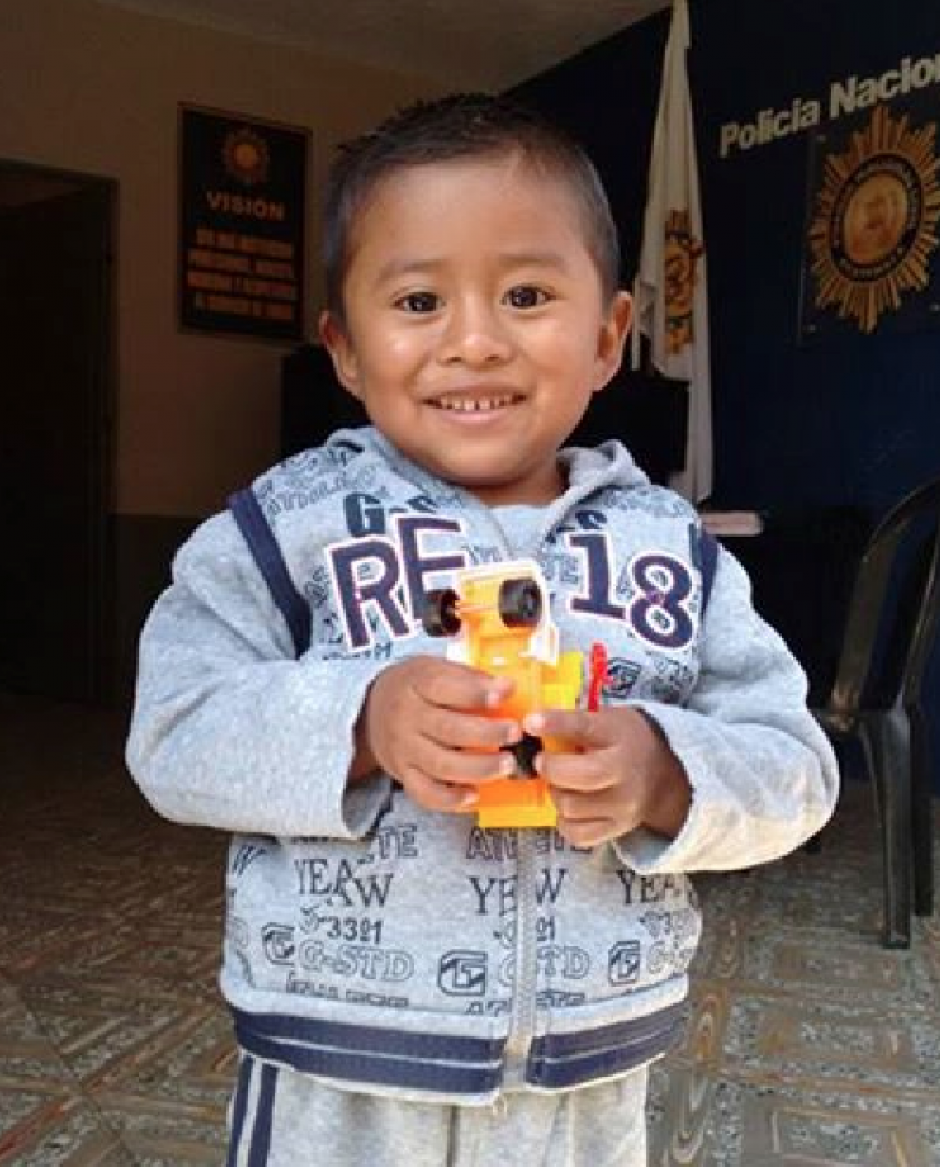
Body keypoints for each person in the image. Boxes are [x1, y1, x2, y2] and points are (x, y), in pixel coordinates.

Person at [126, 93, 839, 1166]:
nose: (473, 341)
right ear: (346, 349)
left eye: (524, 293)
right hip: (338, 1062)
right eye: (417, 300)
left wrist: (666, 774)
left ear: (607, 336)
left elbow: (795, 769)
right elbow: (174, 732)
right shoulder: (286, 529)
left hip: (585, 1076)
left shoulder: (672, 550)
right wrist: (359, 719)